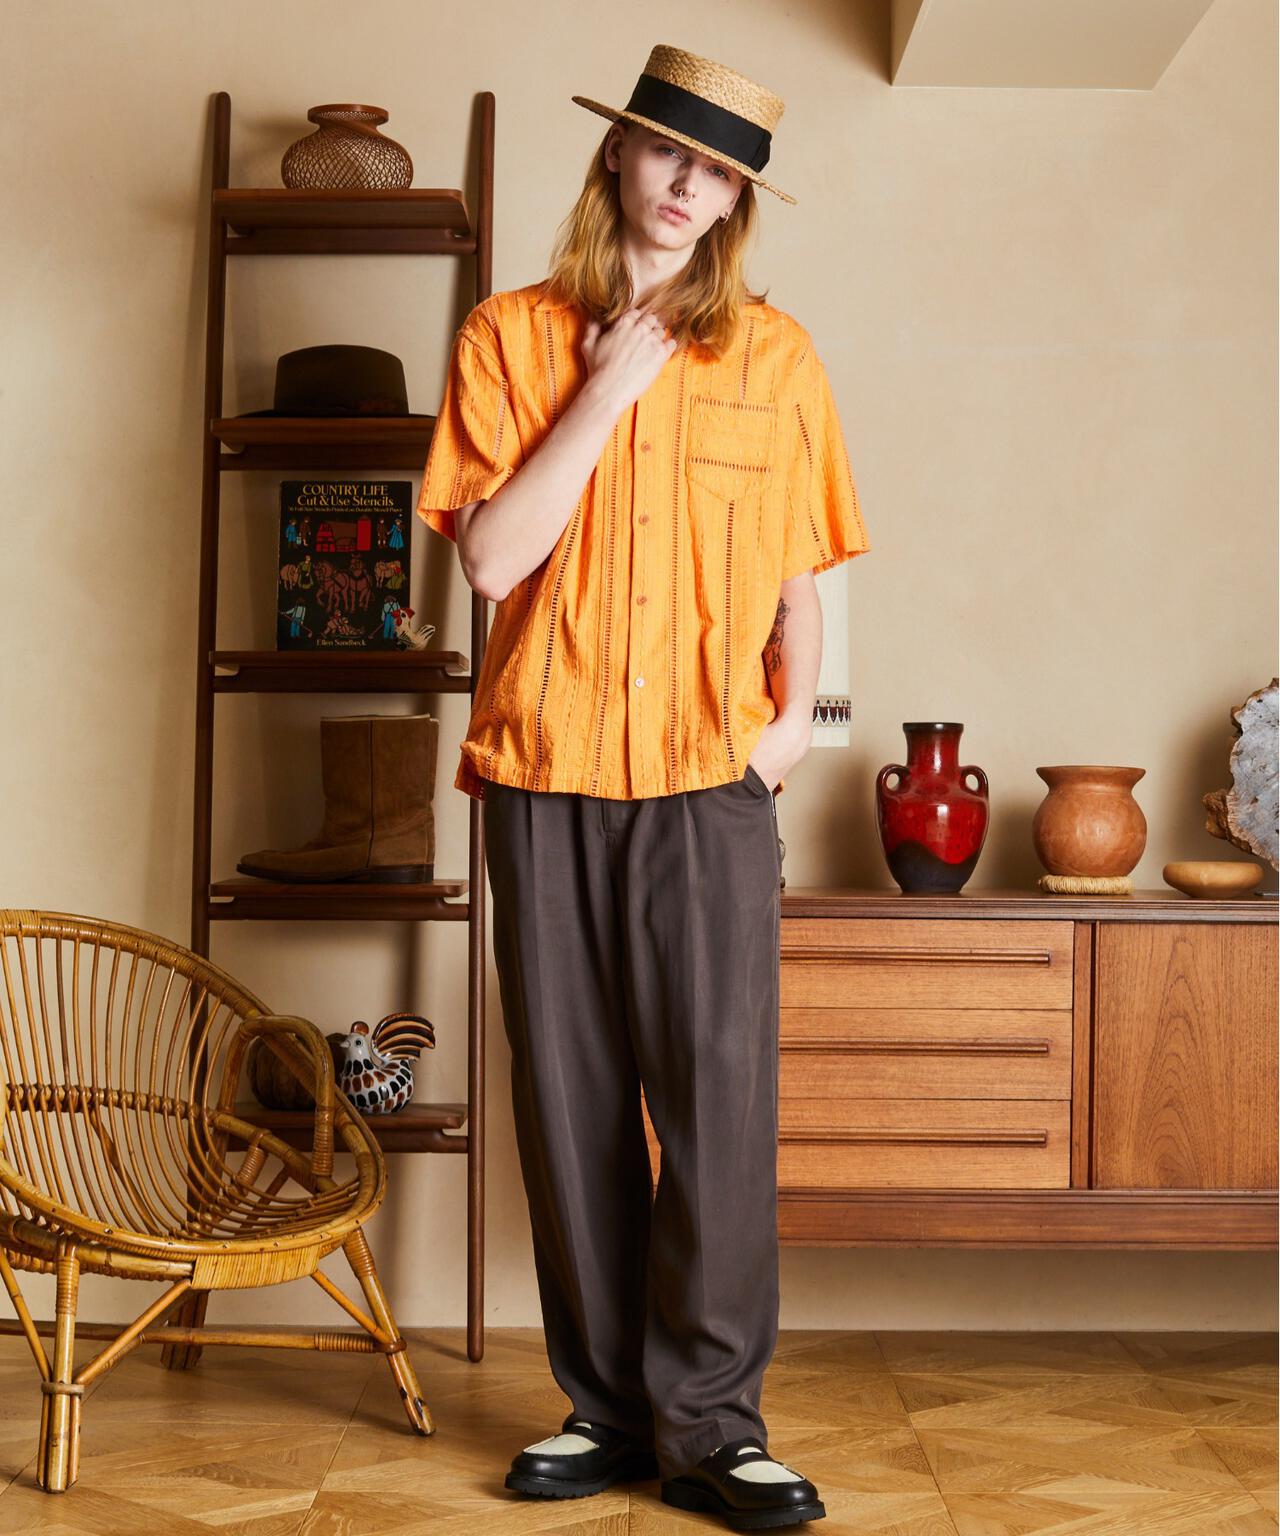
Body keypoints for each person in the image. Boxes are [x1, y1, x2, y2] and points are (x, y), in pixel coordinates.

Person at [416, 42, 870, 1531]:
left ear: (736, 200)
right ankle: (608, 1410)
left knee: (718, 1108)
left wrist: (787, 733)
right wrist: (606, 390)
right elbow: (492, 562)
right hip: (541, 770)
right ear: (618, 153)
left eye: (719, 171)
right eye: (670, 151)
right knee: (571, 1106)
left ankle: (716, 1427)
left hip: (706, 785)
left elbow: (803, 576)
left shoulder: (777, 357)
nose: (688, 185)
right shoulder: (507, 337)